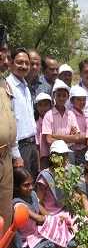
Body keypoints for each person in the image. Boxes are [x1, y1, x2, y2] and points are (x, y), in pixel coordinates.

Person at [10, 168, 55, 248]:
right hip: (24, 244)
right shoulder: (17, 203)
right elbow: (39, 218)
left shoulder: (33, 194)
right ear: (17, 187)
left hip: (35, 236)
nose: (30, 187)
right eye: (26, 185)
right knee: (50, 246)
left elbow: (44, 212)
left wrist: (57, 220)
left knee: (60, 241)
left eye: (31, 183)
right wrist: (54, 222)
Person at [35, 141, 76, 248]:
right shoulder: (45, 176)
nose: (65, 158)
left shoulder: (69, 171)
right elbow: (37, 202)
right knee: (65, 240)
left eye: (65, 155)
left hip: (65, 213)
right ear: (53, 157)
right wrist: (50, 218)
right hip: (51, 215)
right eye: (61, 155)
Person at [0, 31, 18, 248]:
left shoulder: (5, 83)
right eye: (2, 54)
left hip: (5, 157)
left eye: (6, 54)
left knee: (4, 211)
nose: (6, 59)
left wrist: (15, 154)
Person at [6, 48, 38, 176]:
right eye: (20, 62)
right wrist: (16, 154)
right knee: (20, 188)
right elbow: (9, 122)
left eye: (27, 63)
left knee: (31, 183)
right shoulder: (7, 86)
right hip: (19, 147)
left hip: (31, 144)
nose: (24, 66)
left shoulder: (25, 86)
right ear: (11, 63)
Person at [42, 79, 80, 157]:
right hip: (55, 152)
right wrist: (69, 138)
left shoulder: (71, 114)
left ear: (68, 97)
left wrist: (55, 136)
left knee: (71, 169)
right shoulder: (48, 115)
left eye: (64, 95)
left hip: (70, 152)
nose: (61, 98)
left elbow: (77, 137)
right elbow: (48, 140)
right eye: (58, 95)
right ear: (54, 96)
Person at [69, 85, 88, 165]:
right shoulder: (70, 115)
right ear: (72, 101)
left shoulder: (84, 114)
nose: (82, 102)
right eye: (79, 100)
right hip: (75, 151)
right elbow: (77, 137)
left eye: (84, 100)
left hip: (84, 149)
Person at [34, 93, 52, 170]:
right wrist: (38, 166)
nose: (43, 108)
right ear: (36, 107)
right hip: (43, 158)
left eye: (46, 105)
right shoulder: (36, 124)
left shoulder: (53, 120)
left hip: (55, 154)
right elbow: (37, 147)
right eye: (40, 105)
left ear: (50, 106)